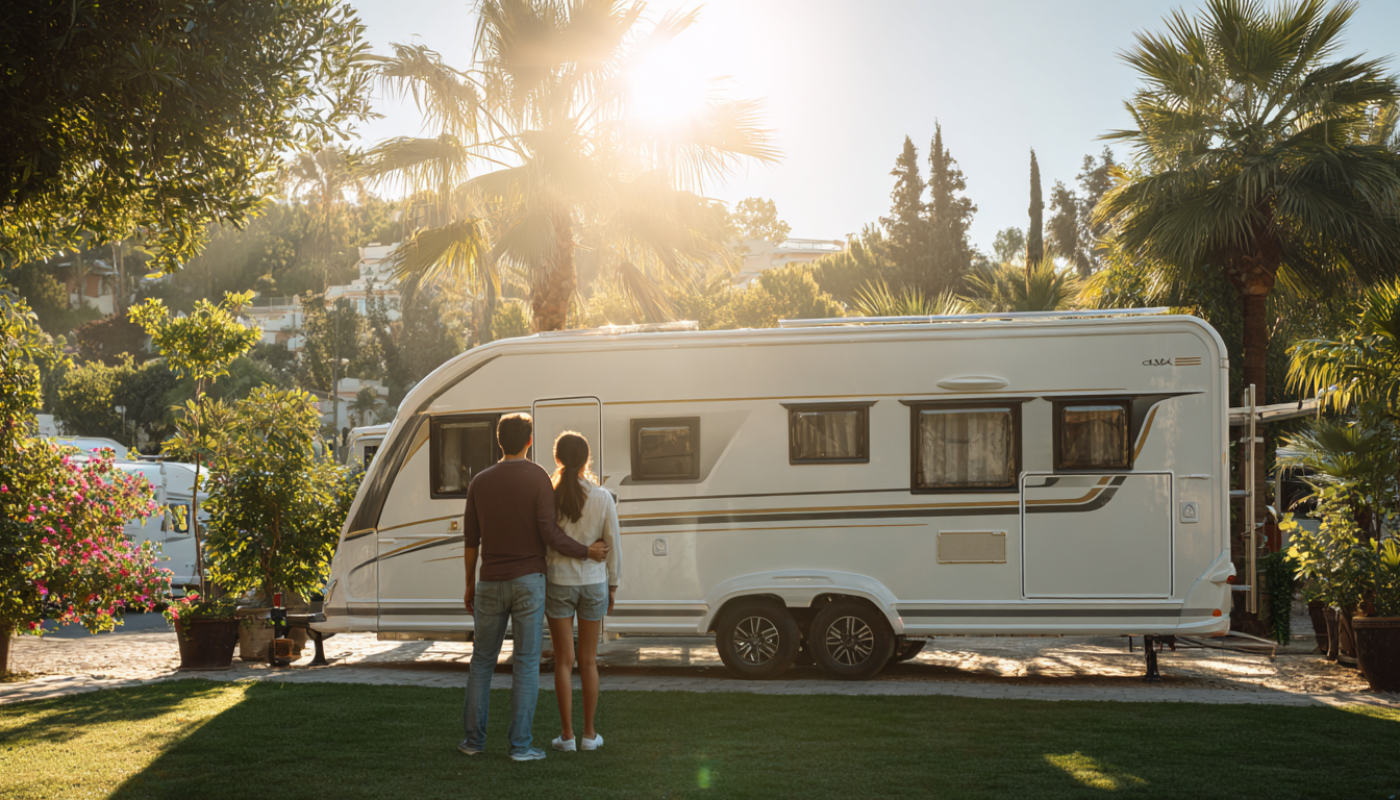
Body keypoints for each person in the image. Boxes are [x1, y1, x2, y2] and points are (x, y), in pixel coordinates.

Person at [459, 413, 608, 762]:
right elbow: (550, 534)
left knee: (481, 663)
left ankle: (473, 742)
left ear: (499, 441)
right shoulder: (538, 478)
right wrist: (586, 551)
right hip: (530, 581)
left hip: (490, 582)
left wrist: (469, 582)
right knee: (525, 664)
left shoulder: (479, 482)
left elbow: (471, 540)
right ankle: (520, 747)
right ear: (528, 442)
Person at [544, 432, 620, 752]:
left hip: (558, 581)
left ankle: (567, 736)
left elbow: (544, 539)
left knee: (564, 660)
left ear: (558, 459)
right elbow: (613, 542)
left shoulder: (547, 495)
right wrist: (612, 584)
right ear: (587, 459)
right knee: (588, 661)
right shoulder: (603, 497)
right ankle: (590, 735)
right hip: (593, 582)